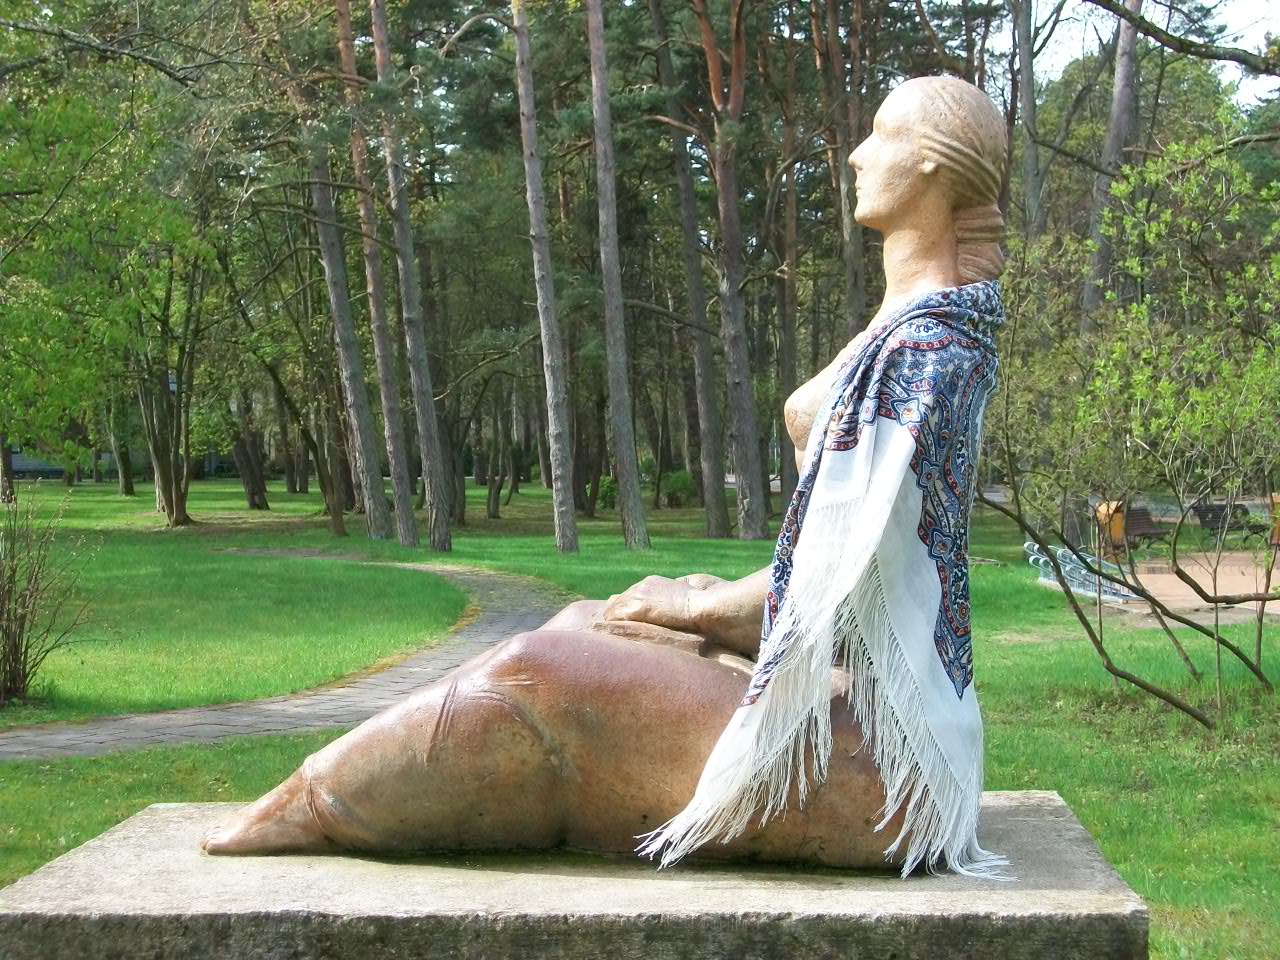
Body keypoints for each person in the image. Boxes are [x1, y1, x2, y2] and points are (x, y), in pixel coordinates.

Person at [202, 75, 1008, 877]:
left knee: (538, 668)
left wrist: (698, 609)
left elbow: (837, 581)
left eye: (882, 135)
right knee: (588, 619)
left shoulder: (929, 348)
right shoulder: (917, 324)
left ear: (933, 164)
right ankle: (349, 784)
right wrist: (697, 603)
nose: (859, 154)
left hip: (889, 763)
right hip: (863, 705)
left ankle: (316, 802)